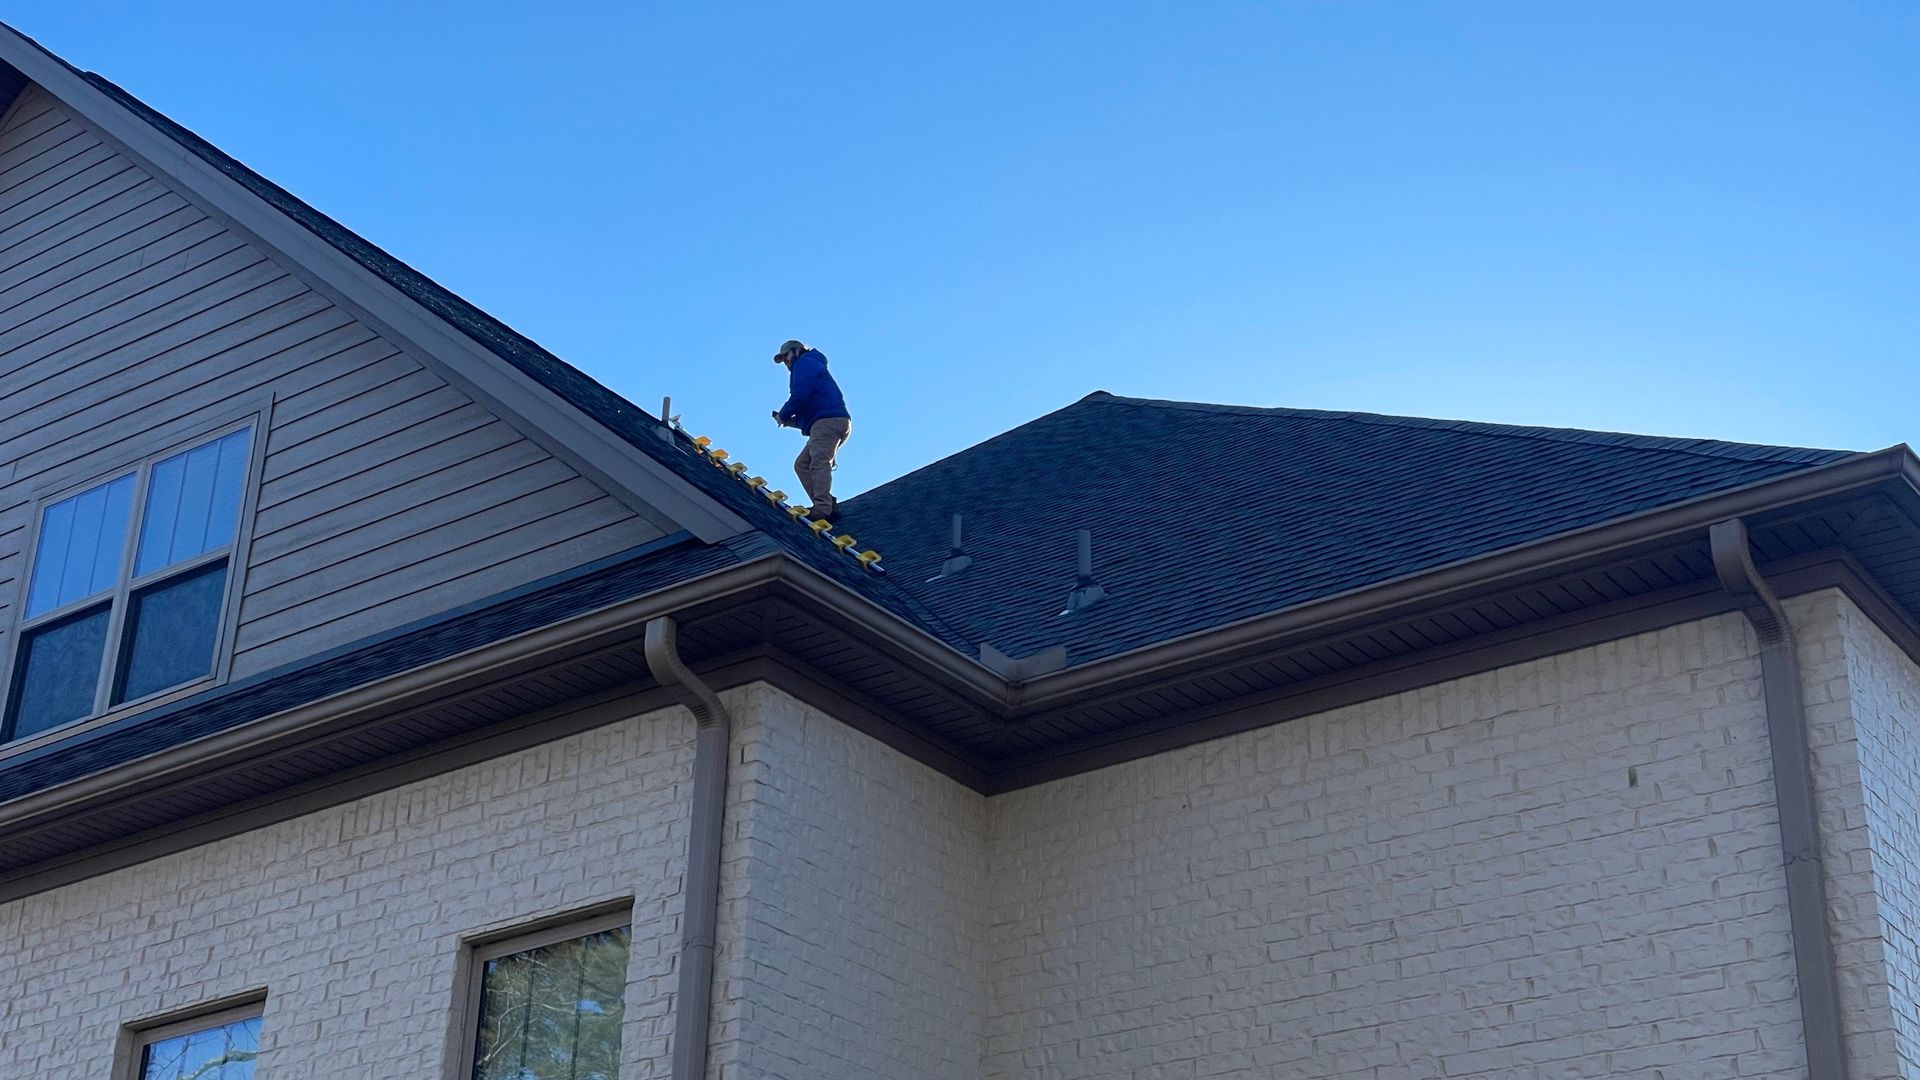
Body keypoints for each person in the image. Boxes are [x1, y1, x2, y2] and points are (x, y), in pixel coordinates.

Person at [770, 339, 852, 519]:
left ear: (796, 351)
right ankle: (827, 502)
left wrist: (783, 414)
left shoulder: (804, 364)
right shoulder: (813, 365)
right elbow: (808, 411)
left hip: (827, 422)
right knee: (802, 464)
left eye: (786, 357)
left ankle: (823, 510)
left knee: (818, 462)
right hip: (830, 422)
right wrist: (789, 420)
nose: (786, 363)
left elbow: (799, 396)